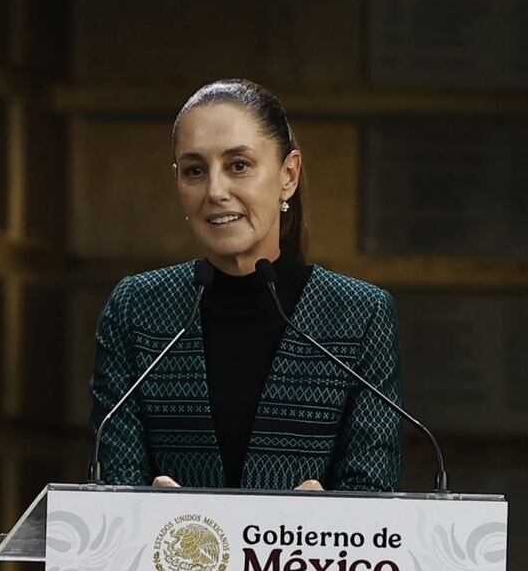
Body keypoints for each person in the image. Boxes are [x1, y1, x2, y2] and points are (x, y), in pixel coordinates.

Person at [88, 79, 402, 493]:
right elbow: (114, 481)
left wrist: (327, 518)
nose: (215, 191)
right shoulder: (136, 308)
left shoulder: (359, 313)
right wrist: (145, 510)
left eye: (238, 165)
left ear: (288, 175)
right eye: (195, 171)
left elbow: (372, 487)